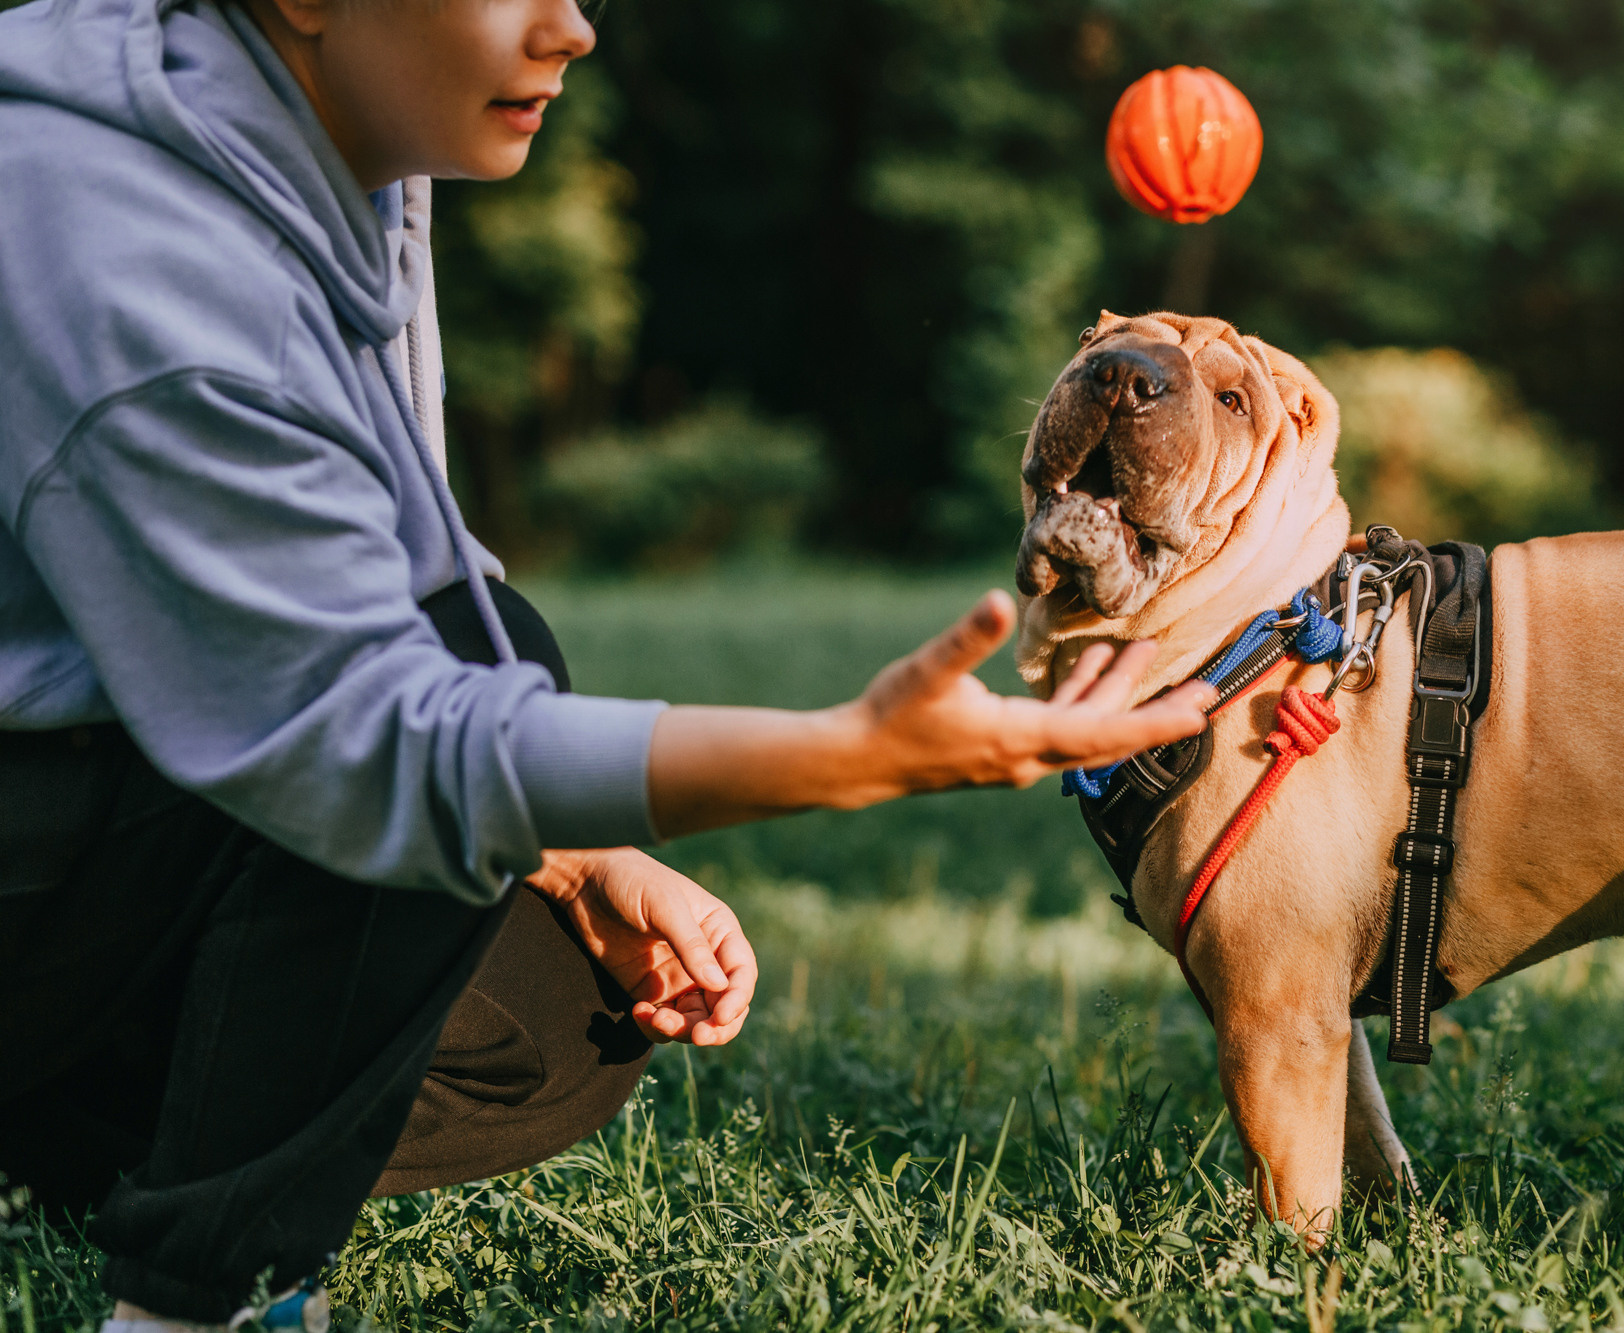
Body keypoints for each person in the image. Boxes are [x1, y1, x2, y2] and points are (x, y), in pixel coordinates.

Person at [0, 0, 1215, 1327]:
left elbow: (371, 574)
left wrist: (574, 852)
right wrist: (842, 756)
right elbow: (374, 724)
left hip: (91, 824)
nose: (572, 28)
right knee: (477, 655)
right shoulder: (111, 233)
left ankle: (71, 1145)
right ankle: (193, 1304)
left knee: (556, 1022)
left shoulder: (342, 158)